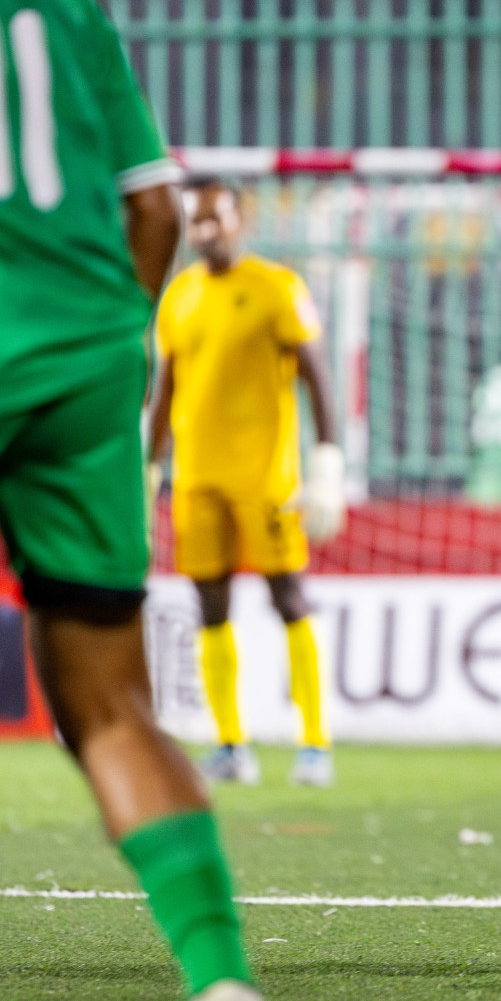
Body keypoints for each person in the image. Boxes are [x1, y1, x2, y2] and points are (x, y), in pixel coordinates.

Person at [0, 0, 259, 998]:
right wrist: (104, 343)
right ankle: (220, 979)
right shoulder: (61, 3)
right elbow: (152, 206)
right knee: (109, 705)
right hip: (89, 362)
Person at [147, 175, 345, 788]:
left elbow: (317, 376)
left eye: (214, 219)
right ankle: (232, 742)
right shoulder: (179, 296)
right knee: (209, 605)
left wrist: (328, 458)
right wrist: (149, 465)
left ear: (239, 219)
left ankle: (314, 742)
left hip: (266, 478)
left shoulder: (276, 289)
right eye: (195, 222)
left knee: (289, 598)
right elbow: (167, 390)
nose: (204, 232)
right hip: (198, 479)